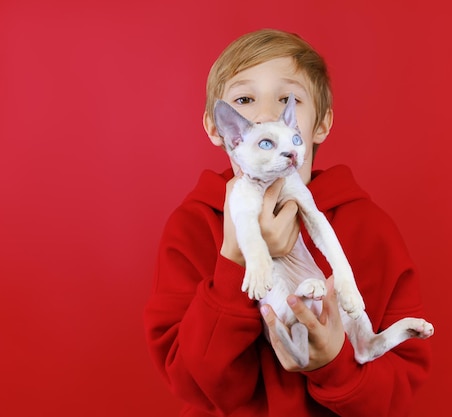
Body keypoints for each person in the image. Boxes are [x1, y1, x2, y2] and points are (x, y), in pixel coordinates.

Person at [144, 28, 431, 417]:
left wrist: (334, 365)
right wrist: (236, 259)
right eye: (245, 100)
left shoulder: (370, 228)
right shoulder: (192, 228)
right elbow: (193, 383)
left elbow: (397, 391)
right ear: (220, 130)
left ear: (319, 125)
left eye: (288, 100)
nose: (265, 116)